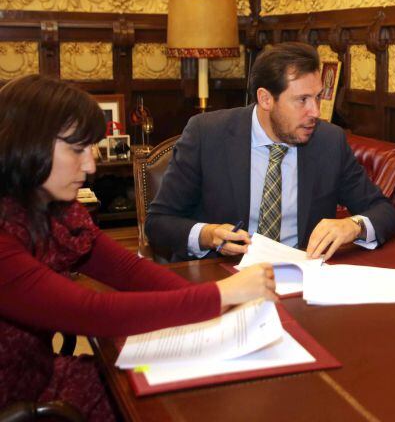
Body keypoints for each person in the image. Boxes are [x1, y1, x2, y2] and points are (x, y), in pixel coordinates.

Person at [0, 75, 277, 420]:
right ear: (26, 145)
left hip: (39, 376)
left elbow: (127, 271)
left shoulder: (49, 207)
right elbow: (92, 312)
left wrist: (218, 311)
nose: (90, 165)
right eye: (77, 149)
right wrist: (220, 295)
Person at [146, 42, 395, 262]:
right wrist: (207, 235)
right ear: (266, 99)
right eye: (302, 100)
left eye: (318, 97)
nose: (315, 112)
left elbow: (383, 211)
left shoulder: (328, 141)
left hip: (302, 280)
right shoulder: (207, 134)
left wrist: (352, 226)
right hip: (224, 276)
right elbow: (158, 222)